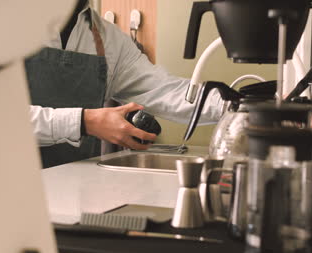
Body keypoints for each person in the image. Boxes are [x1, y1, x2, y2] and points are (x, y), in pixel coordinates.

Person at [27, 0, 223, 168]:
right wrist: (84, 122)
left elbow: (166, 91)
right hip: (7, 192)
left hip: (78, 189)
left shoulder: (107, 38)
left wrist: (236, 106)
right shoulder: (3, 26)